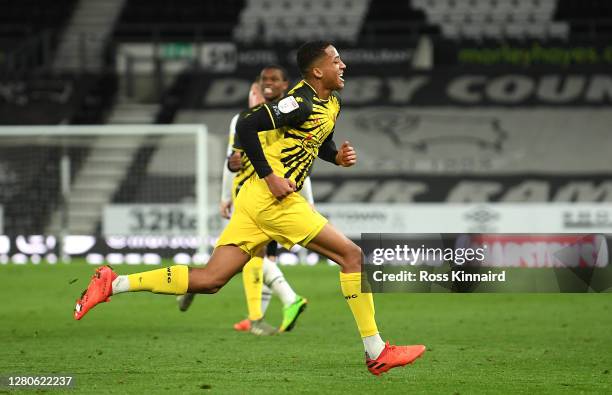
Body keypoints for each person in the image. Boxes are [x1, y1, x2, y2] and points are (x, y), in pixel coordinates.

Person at [74, 41, 426, 376]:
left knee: (211, 280)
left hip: (255, 201)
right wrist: (271, 175)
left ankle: (113, 283)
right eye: (336, 61)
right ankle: (377, 352)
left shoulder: (330, 102)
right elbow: (246, 124)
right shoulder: (298, 102)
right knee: (352, 257)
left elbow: (318, 139)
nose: (343, 64)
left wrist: (337, 156)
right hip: (275, 200)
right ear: (317, 71)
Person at [178, 66, 310, 336]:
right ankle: (270, 309)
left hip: (275, 198)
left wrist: (307, 202)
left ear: (285, 86)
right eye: (258, 87)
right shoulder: (242, 120)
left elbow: (298, 168)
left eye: (269, 84)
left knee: (250, 258)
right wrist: (226, 196)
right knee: (247, 257)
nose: (260, 91)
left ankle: (254, 312)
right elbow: (232, 161)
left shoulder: (287, 119)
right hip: (248, 198)